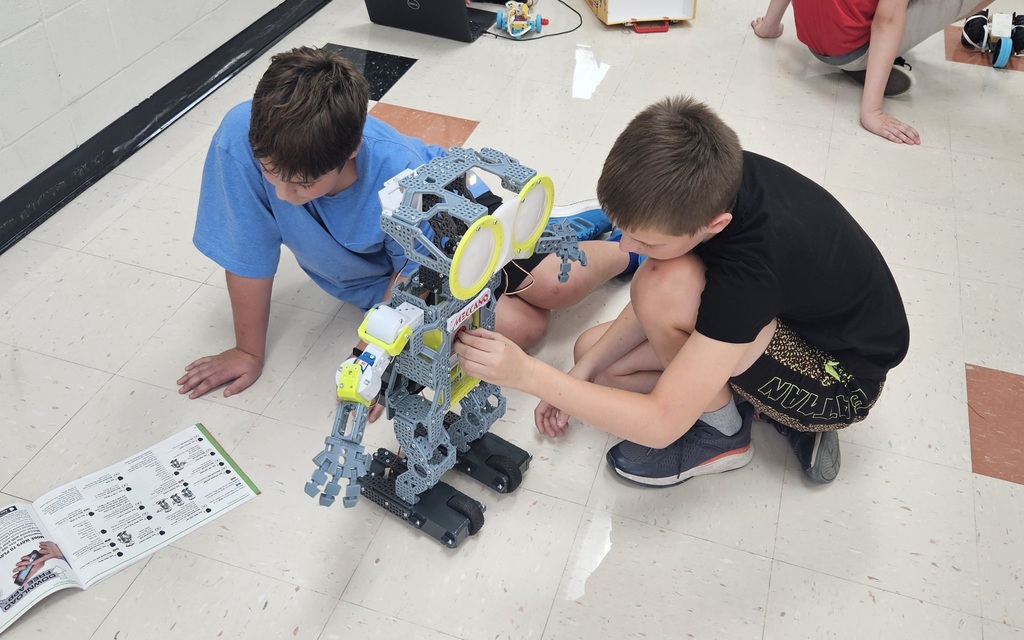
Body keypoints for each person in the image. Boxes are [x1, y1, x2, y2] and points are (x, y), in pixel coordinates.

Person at [454, 95, 910, 486]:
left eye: (648, 241)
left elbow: (660, 422)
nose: (627, 249)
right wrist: (578, 375)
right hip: (786, 318)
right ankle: (734, 398)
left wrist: (530, 375)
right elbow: (654, 297)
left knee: (661, 284)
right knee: (596, 360)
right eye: (624, 231)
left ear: (715, 225)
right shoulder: (713, 179)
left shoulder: (748, 274)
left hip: (838, 380)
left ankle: (724, 436)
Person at [177, 46, 634, 402]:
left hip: (457, 221)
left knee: (555, 286)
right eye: (269, 174)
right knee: (524, 329)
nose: (281, 195)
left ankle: (619, 247)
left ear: (352, 149)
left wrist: (373, 359)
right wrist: (248, 351)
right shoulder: (242, 139)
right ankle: (561, 235)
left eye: (303, 185)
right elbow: (246, 252)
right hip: (380, 277)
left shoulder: (401, 171)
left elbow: (416, 276)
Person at [751, 0, 993, 145]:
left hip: (811, 36)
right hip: (851, 51)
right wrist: (872, 112)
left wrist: (768, 26)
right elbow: (886, 21)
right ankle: (868, 63)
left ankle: (867, 58)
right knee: (892, 12)